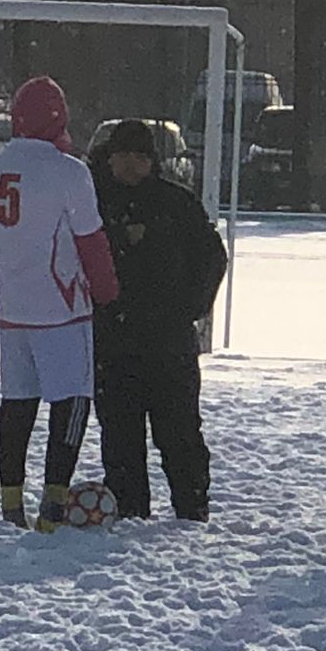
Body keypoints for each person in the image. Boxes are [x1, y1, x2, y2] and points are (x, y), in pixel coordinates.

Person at [0, 76, 119, 532]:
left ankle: (10, 503)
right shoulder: (69, 171)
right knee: (72, 401)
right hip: (61, 307)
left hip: (12, 304)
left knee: (17, 403)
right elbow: (91, 241)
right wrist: (107, 294)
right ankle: (53, 505)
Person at [90, 119, 227, 522]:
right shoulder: (91, 203)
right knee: (120, 435)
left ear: (153, 161)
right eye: (123, 156)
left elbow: (213, 259)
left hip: (169, 343)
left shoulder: (177, 204)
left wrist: (193, 307)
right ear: (109, 158)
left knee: (181, 433)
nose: (131, 165)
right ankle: (129, 508)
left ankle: (192, 506)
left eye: (140, 157)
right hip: (113, 342)